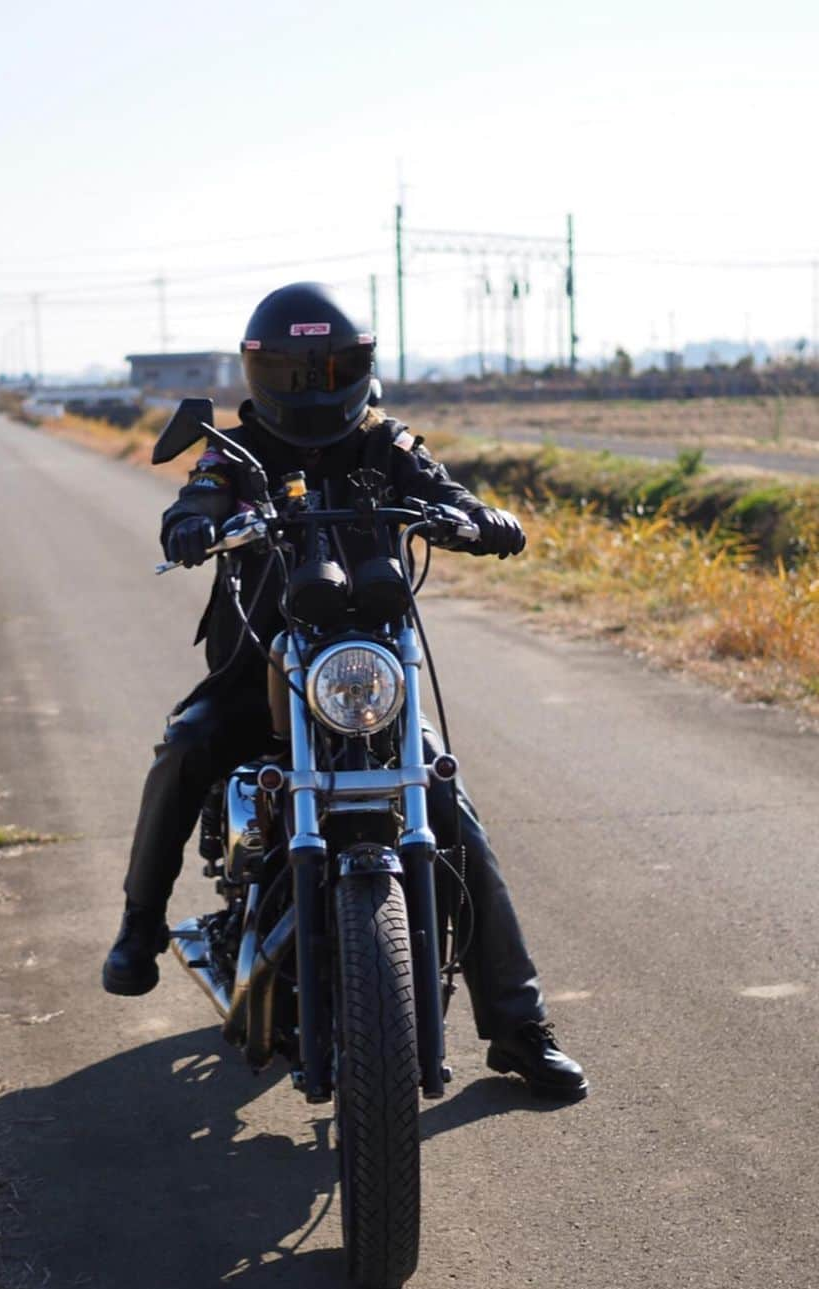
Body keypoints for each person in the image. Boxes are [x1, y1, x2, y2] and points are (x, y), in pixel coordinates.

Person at [103, 282, 587, 1100]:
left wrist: (475, 518)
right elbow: (201, 493)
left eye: (332, 365)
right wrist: (192, 521)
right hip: (259, 676)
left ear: (360, 365)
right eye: (294, 370)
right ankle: (139, 929)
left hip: (366, 686)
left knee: (449, 808)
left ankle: (518, 1027)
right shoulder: (238, 450)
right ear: (262, 373)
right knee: (184, 748)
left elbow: (443, 490)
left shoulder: (386, 443)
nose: (314, 384)